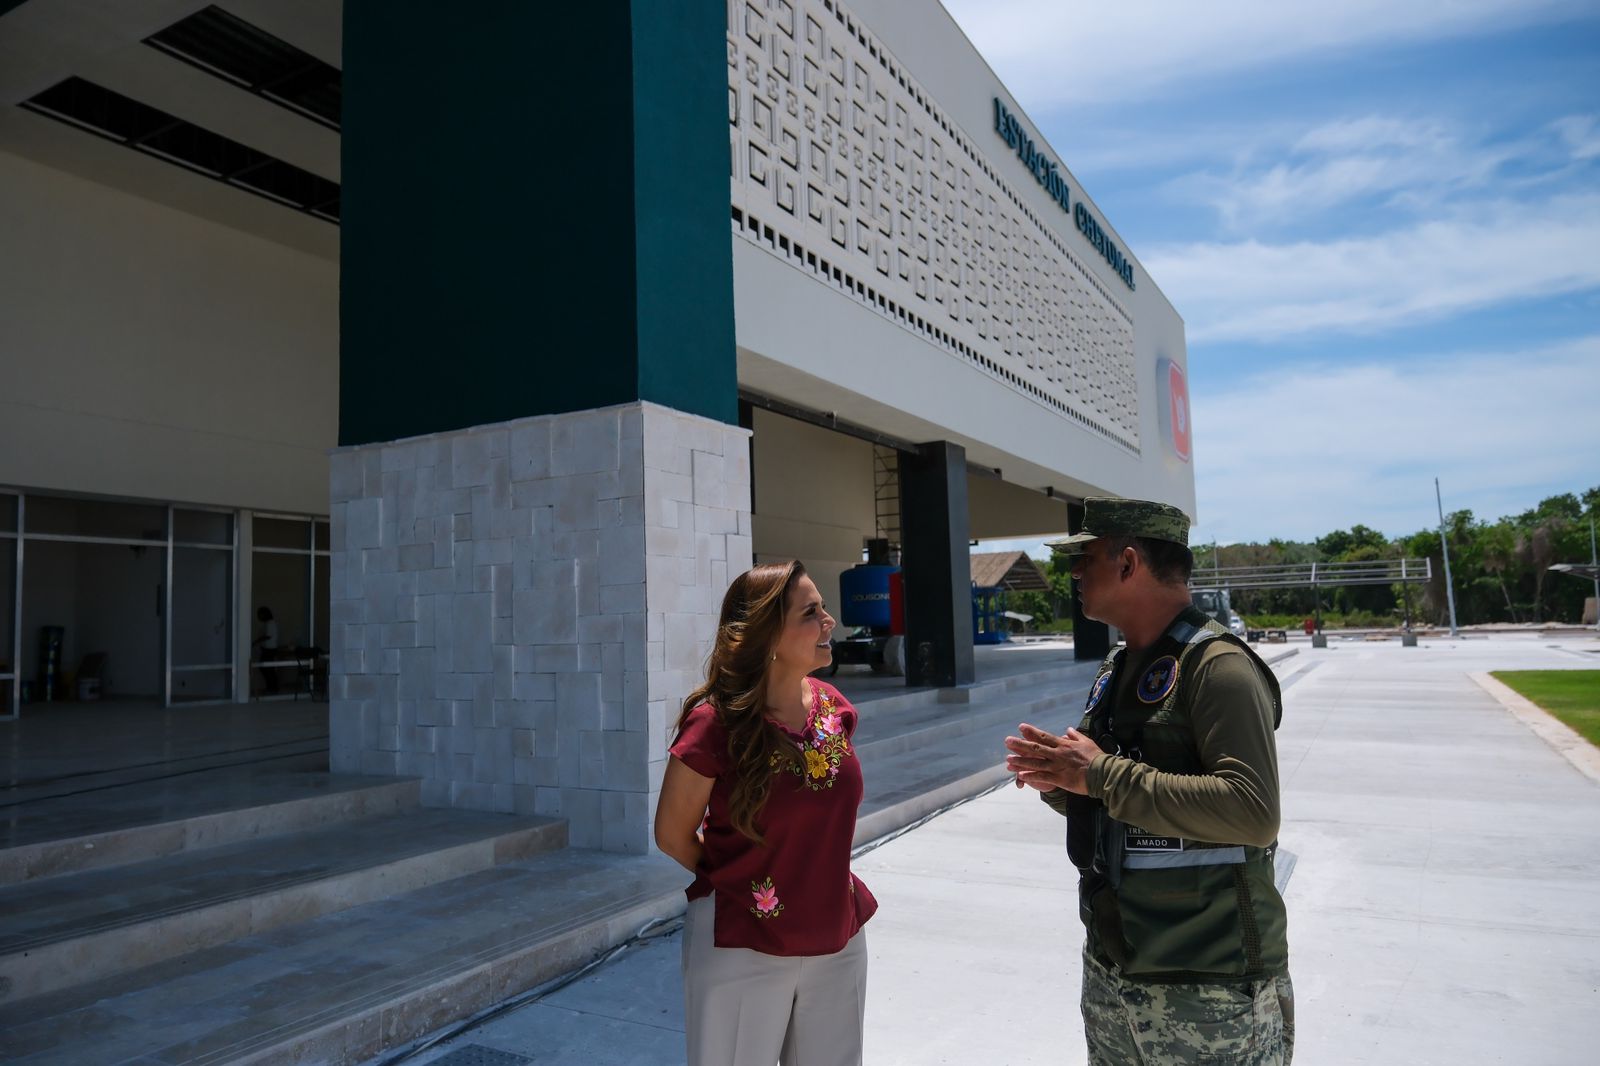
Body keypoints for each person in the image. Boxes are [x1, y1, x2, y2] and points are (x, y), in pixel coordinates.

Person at [1004, 497, 1294, 1065]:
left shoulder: (1218, 668)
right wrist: (1063, 782)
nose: (1075, 573)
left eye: (1084, 558)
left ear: (1129, 563)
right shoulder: (1119, 668)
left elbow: (1253, 811)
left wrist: (1099, 774)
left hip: (1208, 985)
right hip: (1117, 970)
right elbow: (1123, 801)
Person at [655, 560, 877, 1066]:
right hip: (742, 943)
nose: (830, 622)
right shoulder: (715, 723)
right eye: (811, 612)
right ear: (767, 634)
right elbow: (672, 833)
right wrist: (748, 882)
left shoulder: (832, 706)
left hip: (836, 938)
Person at [253, 606, 279, 695]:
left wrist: (256, 641)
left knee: (267, 669)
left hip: (269, 650)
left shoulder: (270, 623)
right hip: (267, 649)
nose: (259, 617)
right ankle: (271, 687)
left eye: (260, 615)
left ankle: (273, 688)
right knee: (268, 669)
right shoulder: (268, 623)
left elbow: (268, 636)